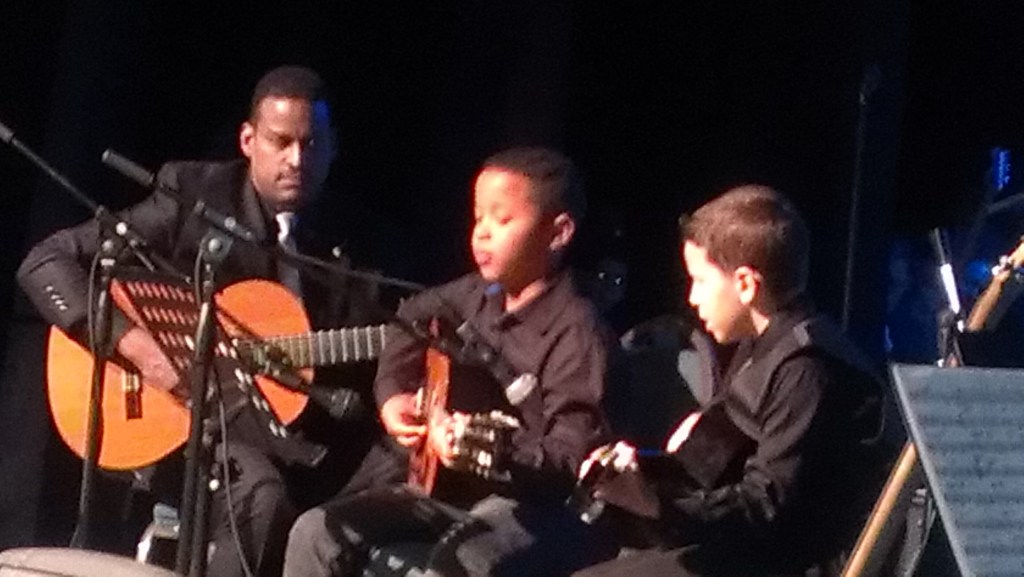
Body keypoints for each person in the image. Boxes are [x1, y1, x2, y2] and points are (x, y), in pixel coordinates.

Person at [17, 65, 390, 577]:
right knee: (261, 497)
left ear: (333, 147)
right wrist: (142, 350)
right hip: (191, 433)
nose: (296, 159)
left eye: (312, 143)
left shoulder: (355, 238)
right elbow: (45, 262)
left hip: (304, 434)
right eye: (280, 142)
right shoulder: (193, 197)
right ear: (248, 139)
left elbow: (389, 339)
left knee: (400, 473)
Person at [283, 146, 619, 576]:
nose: (482, 233)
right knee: (318, 531)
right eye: (479, 217)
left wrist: (490, 450)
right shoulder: (473, 295)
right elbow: (409, 319)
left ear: (558, 233)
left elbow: (569, 461)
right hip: (450, 489)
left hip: (535, 505)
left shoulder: (577, 332)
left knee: (463, 561)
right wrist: (393, 396)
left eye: (502, 220)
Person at [571, 185, 888, 576]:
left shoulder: (806, 368)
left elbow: (766, 507)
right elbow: (718, 459)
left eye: (700, 280)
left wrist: (657, 504)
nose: (691, 297)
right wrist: (641, 470)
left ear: (745, 284)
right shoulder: (763, 345)